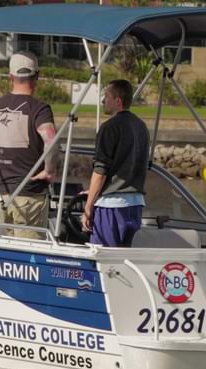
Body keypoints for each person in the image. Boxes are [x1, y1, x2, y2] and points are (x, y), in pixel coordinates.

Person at [0, 51, 57, 239]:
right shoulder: (39, 109)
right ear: (37, 76)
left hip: (1, 195)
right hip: (30, 196)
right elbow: (51, 141)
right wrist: (49, 170)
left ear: (10, 77)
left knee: (6, 257)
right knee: (30, 257)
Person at [81, 79, 150, 247]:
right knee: (126, 258)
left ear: (118, 101)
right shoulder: (141, 127)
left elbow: (100, 171)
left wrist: (88, 206)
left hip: (111, 206)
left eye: (107, 96)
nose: (103, 101)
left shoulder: (109, 127)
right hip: (135, 204)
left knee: (104, 257)